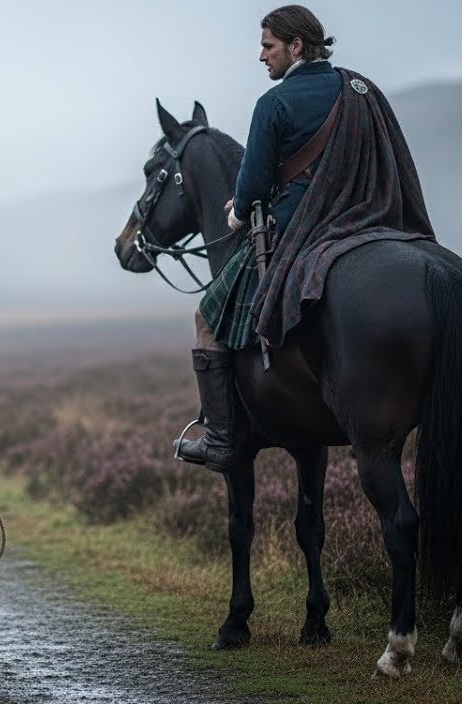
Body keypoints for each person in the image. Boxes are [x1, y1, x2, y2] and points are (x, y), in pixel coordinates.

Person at [175, 5, 342, 472]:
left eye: (269, 46)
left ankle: (222, 441)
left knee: (206, 316)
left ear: (296, 46)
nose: (261, 56)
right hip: (356, 218)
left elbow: (251, 185)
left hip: (292, 229)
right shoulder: (354, 90)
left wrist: (238, 214)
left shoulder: (275, 103)